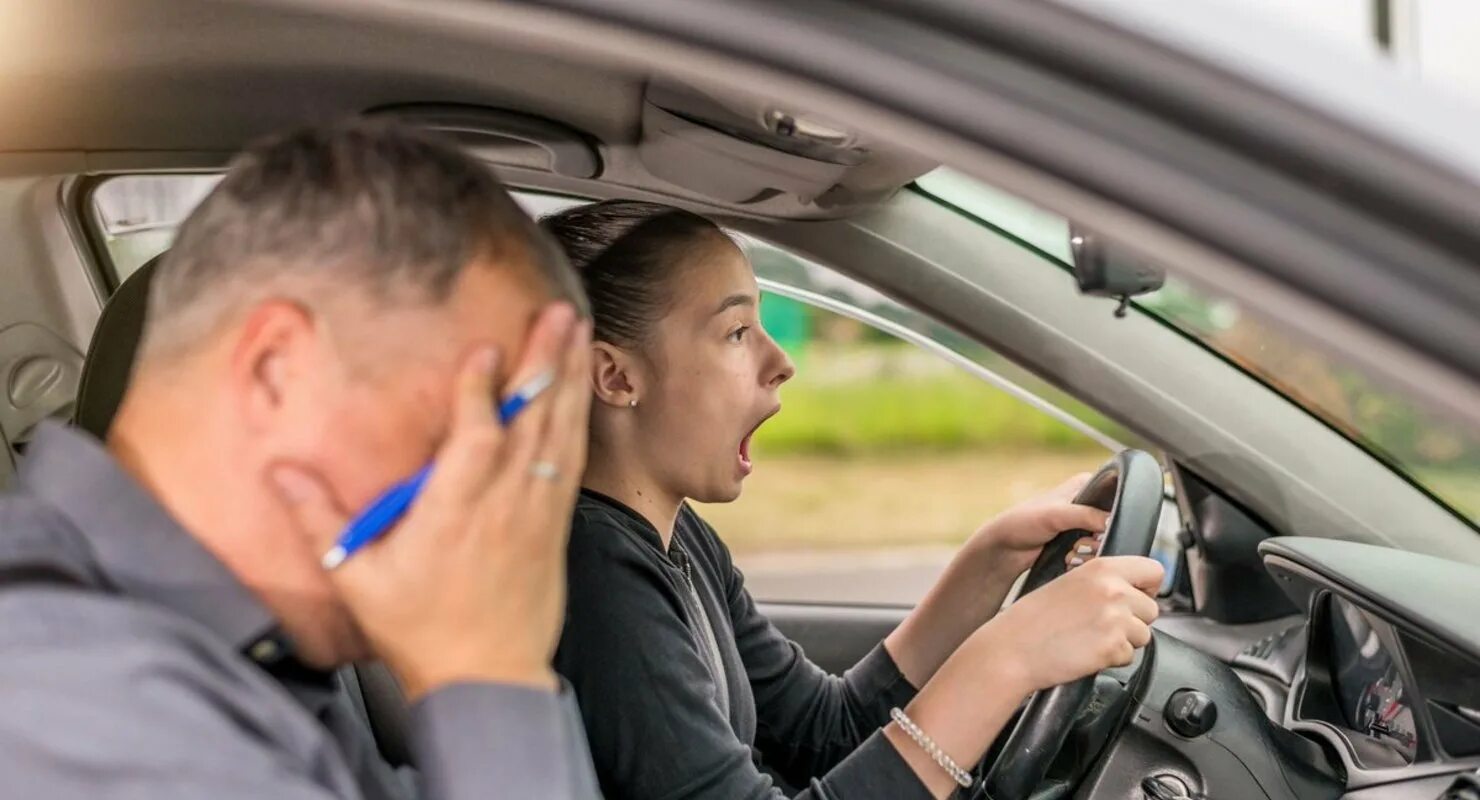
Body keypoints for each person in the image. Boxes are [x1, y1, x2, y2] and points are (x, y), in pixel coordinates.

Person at [0, 121, 602, 799]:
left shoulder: (249, 661)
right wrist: (489, 673)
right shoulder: (66, 692)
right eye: (470, 435)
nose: (499, 506)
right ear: (276, 371)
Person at [545, 200, 1165, 800]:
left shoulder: (678, 540)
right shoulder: (597, 571)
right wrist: (1008, 661)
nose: (781, 361)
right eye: (736, 332)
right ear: (616, 377)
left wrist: (994, 557)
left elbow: (824, 731)